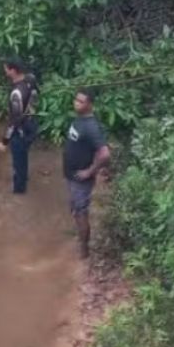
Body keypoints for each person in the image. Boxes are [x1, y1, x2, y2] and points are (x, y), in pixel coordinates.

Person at [63, 88, 110, 260]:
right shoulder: (79, 119)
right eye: (76, 99)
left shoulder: (91, 127)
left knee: (81, 212)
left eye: (81, 101)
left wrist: (90, 171)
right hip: (71, 175)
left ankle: (84, 251)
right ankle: (81, 239)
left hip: (80, 178)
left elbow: (104, 153)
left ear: (90, 105)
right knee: (75, 210)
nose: (76, 103)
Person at [0, 57, 39, 194]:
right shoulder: (31, 79)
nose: (5, 72)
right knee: (23, 156)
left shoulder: (16, 93)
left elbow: (15, 120)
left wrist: (4, 141)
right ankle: (24, 177)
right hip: (31, 125)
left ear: (13, 71)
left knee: (18, 162)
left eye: (6, 70)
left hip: (21, 131)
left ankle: (19, 191)